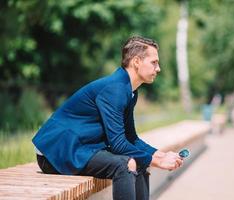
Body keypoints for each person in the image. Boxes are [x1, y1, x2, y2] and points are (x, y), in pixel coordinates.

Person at [32, 36, 183, 200]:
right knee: (126, 165)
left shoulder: (128, 90)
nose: (158, 68)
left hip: (82, 147)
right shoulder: (115, 89)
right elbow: (118, 143)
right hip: (56, 152)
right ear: (137, 61)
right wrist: (156, 161)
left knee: (139, 162)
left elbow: (131, 138)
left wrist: (160, 155)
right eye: (154, 62)